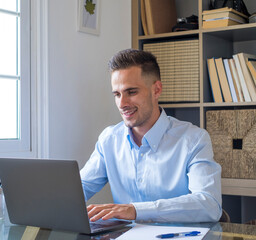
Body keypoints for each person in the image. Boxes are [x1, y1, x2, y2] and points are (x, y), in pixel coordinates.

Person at [80, 49, 222, 223]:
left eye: (131, 92)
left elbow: (210, 205)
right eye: (117, 94)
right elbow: (78, 189)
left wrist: (135, 210)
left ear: (156, 90)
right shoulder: (109, 139)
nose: (122, 103)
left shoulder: (193, 139)